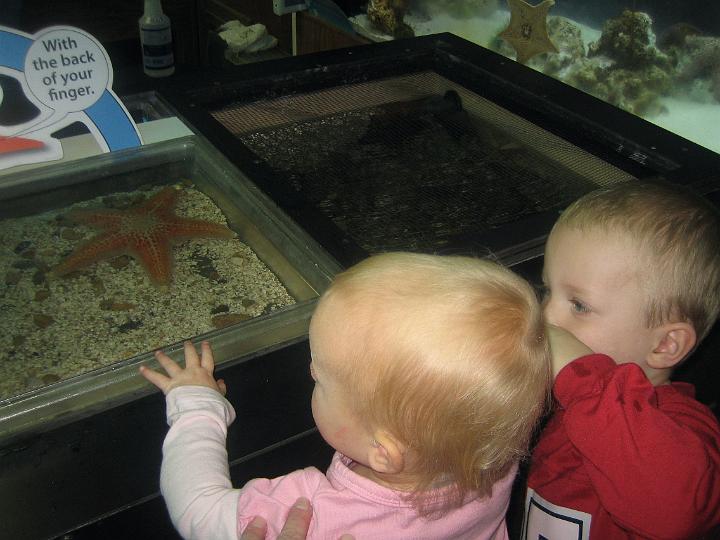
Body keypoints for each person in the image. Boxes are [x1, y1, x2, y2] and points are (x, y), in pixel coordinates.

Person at [140, 252, 551, 539]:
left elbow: (197, 508)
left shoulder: (309, 512)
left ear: (383, 450)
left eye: (320, 376)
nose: (309, 371)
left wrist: (196, 406)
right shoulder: (493, 454)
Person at [523, 181, 720, 539]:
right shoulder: (573, 400)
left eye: (579, 305)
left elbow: (676, 513)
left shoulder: (685, 430)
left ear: (665, 344)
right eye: (547, 291)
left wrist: (580, 376)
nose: (545, 316)